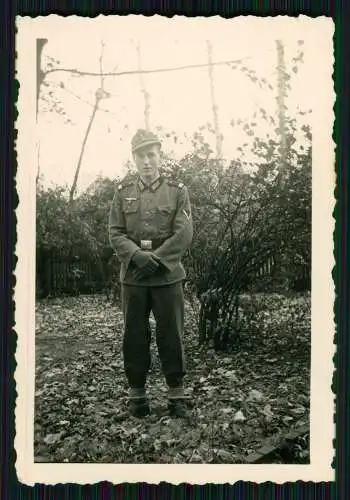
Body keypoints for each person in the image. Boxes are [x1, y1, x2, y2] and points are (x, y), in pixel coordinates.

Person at [108, 129, 193, 418]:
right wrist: (137, 257)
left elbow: (184, 233)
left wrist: (156, 258)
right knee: (134, 334)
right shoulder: (122, 192)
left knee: (171, 333)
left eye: (151, 155)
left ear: (160, 155)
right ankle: (137, 395)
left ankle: (176, 395)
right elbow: (115, 231)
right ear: (134, 158)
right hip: (134, 276)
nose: (147, 162)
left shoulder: (177, 190)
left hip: (167, 275)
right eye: (141, 156)